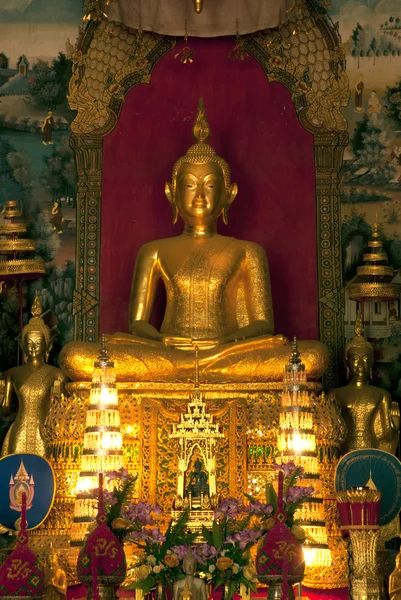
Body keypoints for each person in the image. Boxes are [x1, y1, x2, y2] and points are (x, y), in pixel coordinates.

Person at [60, 98, 328, 383]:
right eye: (189, 185)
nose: (199, 195)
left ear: (230, 194)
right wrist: (165, 342)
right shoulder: (154, 251)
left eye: (210, 186)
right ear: (171, 193)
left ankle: (200, 367)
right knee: (75, 356)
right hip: (168, 353)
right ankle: (195, 367)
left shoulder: (248, 252)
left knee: (312, 357)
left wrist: (224, 343)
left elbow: (263, 324)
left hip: (228, 354)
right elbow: (137, 323)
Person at [0, 293, 66, 456]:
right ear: (22, 346)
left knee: (43, 472)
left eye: (38, 343)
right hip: (20, 429)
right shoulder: (12, 374)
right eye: (29, 344)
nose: (33, 348)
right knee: (15, 476)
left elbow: (61, 412)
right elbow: (6, 409)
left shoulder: (56, 375)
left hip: (45, 431)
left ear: (48, 346)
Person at [328, 311, 399, 454]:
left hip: (371, 448)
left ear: (372, 362)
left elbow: (384, 435)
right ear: (346, 362)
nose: (360, 364)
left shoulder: (381, 395)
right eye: (355, 358)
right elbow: (330, 432)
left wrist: (394, 424)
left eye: (366, 359)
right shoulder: (335, 394)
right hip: (344, 450)